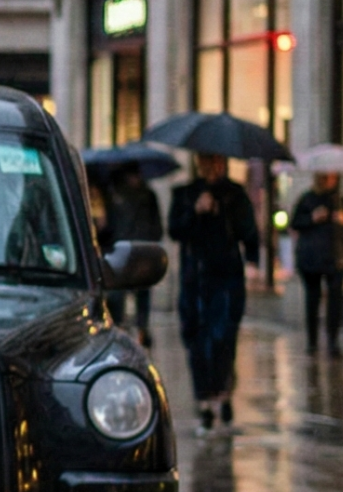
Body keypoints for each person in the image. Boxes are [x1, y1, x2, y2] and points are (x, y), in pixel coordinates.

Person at [166, 150, 258, 430]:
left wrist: (223, 213)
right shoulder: (184, 193)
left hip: (226, 276)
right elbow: (174, 230)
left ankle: (223, 393)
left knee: (223, 336)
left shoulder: (235, 194)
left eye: (216, 161)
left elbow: (248, 231)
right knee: (195, 336)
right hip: (195, 277)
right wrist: (196, 211)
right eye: (205, 161)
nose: (211, 166)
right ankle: (204, 398)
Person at [287, 172, 343, 356]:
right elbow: (294, 223)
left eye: (331, 177)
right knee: (313, 299)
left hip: (335, 257)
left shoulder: (341, 201)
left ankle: (333, 340)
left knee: (335, 300)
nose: (328, 181)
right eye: (324, 177)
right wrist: (312, 218)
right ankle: (312, 341)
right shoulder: (307, 199)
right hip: (311, 258)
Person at [99, 163, 164, 344]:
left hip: (130, 251)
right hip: (130, 252)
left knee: (135, 296)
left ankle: (136, 329)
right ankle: (132, 329)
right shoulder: (116, 195)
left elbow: (156, 227)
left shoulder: (141, 196)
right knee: (124, 297)